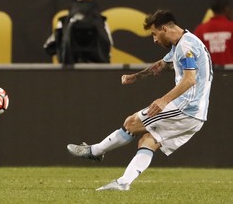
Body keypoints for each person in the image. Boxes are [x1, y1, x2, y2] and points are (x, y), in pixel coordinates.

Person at [67, 10, 213, 191]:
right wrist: (136, 77)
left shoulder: (186, 46)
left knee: (132, 122)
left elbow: (190, 79)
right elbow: (162, 65)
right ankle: (123, 183)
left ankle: (95, 151)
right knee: (148, 140)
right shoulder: (183, 42)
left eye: (154, 34)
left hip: (185, 108)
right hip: (196, 114)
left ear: (164, 28)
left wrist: (164, 100)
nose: (155, 40)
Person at [43, 0, 111, 64]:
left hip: (96, 64)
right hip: (71, 65)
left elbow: (108, 42)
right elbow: (50, 44)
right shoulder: (64, 21)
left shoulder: (102, 21)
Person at [194, 0, 233, 66]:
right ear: (226, 9)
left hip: (208, 74)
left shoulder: (200, 29)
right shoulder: (231, 27)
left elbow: (194, 54)